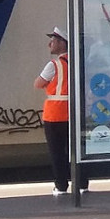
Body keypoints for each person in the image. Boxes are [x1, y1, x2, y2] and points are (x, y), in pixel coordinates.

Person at [35, 26, 88, 195]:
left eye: (53, 41)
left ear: (61, 43)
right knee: (76, 150)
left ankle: (61, 185)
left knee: (57, 151)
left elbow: (37, 84)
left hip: (55, 114)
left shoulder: (54, 65)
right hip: (75, 113)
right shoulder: (78, 62)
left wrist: (50, 85)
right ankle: (82, 183)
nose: (50, 44)